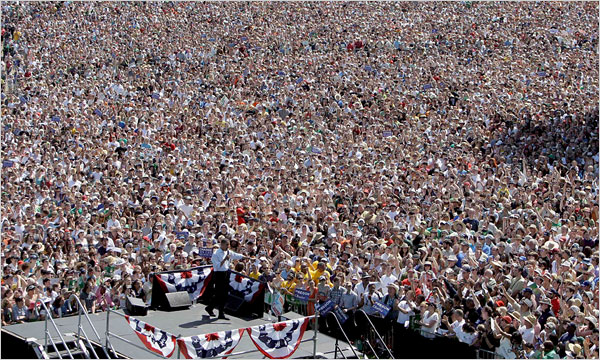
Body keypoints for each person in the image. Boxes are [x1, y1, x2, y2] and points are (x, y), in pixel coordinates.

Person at [206, 238, 245, 320]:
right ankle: (210, 308)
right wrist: (225, 259)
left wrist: (246, 257)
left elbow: (235, 255)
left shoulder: (228, 251)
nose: (228, 246)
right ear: (222, 244)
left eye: (229, 245)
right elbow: (217, 266)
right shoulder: (216, 254)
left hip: (226, 273)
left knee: (224, 294)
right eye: (227, 245)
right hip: (218, 274)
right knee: (218, 293)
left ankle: (220, 313)